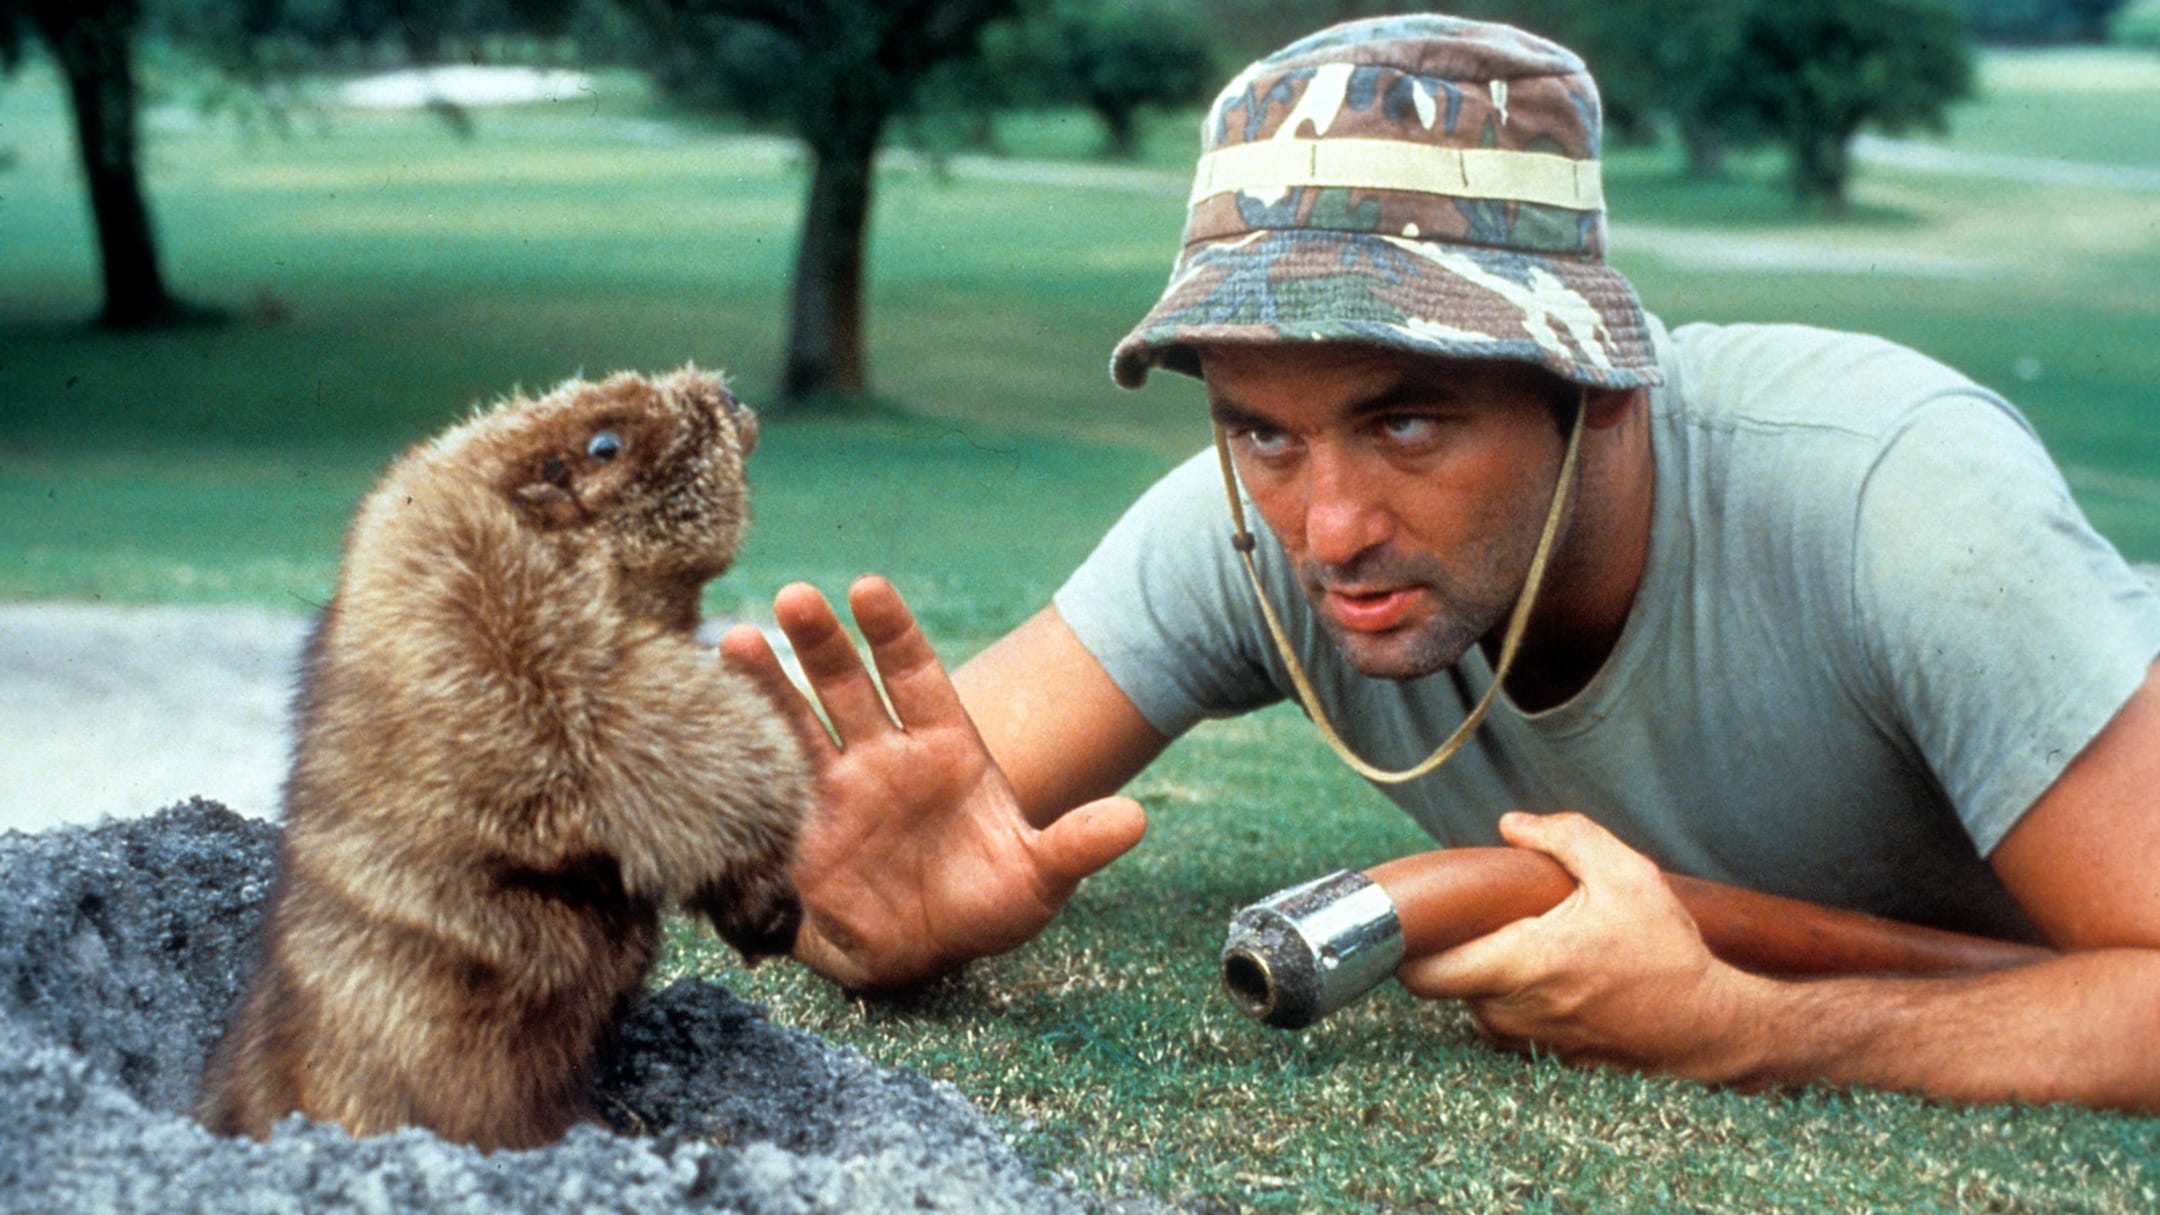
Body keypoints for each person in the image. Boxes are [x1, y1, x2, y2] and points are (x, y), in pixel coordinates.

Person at [721, 14, 2160, 1111]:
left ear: (1596, 379)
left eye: (1407, 419)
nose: (1327, 526)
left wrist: (1756, 1029)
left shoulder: (1900, 504)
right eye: (1260, 432)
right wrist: (852, 914)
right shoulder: (1255, 520)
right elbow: (928, 817)